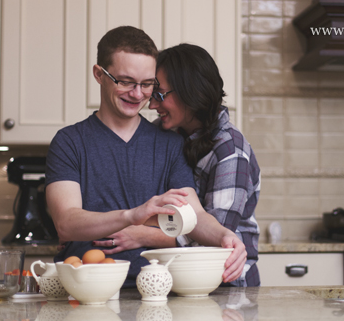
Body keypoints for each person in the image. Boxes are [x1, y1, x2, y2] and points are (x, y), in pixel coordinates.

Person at [45, 26, 246, 288]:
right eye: (126, 81)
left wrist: (224, 236)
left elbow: (194, 215)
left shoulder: (171, 144)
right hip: (84, 288)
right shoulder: (69, 141)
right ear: (99, 74)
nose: (138, 94)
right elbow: (66, 223)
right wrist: (133, 215)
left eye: (148, 84)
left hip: (156, 290)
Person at [95, 43, 261, 287]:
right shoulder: (165, 134)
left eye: (159, 95)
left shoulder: (230, 151)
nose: (151, 105)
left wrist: (141, 235)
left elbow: (214, 236)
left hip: (225, 284)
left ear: (190, 92)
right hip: (175, 281)